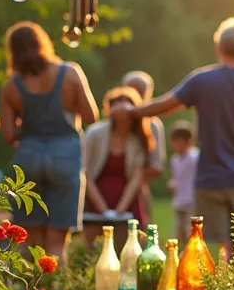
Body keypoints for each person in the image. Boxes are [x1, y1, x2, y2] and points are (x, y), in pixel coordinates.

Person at [114, 17, 234, 254]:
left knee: (207, 245)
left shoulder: (202, 80)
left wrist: (131, 110)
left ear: (218, 47)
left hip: (209, 177)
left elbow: (164, 105)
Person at [0, 22, 99, 260]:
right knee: (56, 246)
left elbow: (8, 135)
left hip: (28, 159)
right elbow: (90, 116)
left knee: (29, 244)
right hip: (65, 157)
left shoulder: (11, 85)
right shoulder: (70, 72)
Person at [82, 87, 157, 246]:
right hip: (96, 197)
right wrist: (103, 210)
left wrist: (119, 211)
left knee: (125, 249)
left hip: (127, 200)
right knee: (90, 250)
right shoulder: (95, 133)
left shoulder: (139, 138)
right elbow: (85, 173)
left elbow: (137, 177)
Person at [120, 71, 166, 221]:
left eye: (139, 91)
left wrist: (133, 180)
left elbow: (156, 167)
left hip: (139, 191)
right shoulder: (113, 122)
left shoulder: (152, 125)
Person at [168, 120, 199, 246]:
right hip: (179, 201)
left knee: (190, 231)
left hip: (191, 201)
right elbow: (177, 177)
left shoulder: (194, 158)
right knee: (178, 231)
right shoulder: (175, 159)